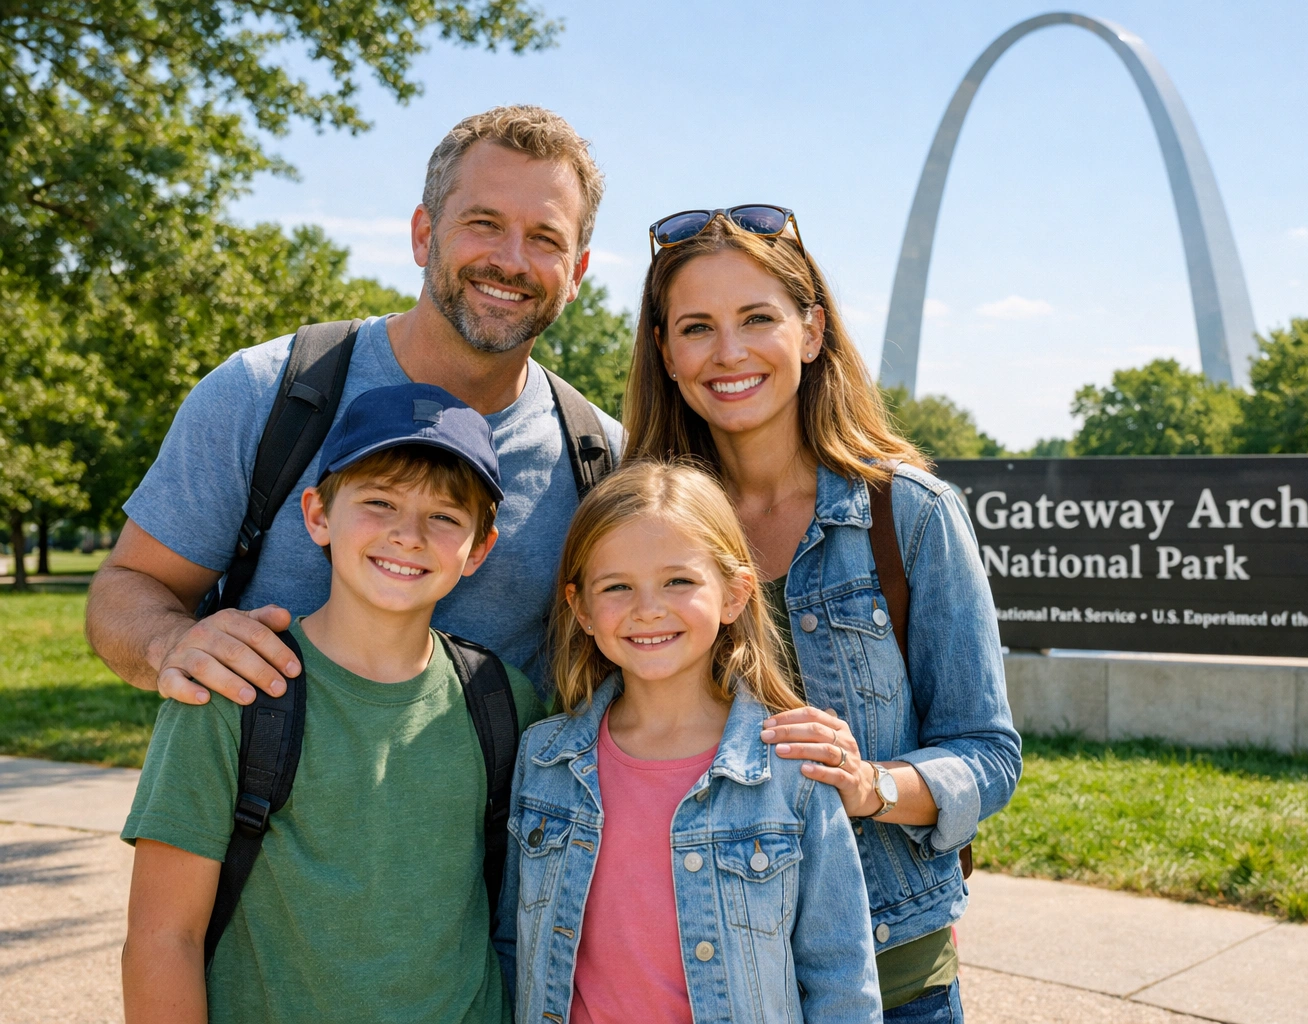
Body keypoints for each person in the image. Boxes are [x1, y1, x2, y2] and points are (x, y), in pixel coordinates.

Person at [622, 207, 1022, 1021]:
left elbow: (988, 755)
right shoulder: (637, 528)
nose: (729, 352)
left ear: (810, 331)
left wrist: (871, 785)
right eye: (697, 327)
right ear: (665, 352)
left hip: (892, 977)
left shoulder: (910, 515)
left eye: (757, 319)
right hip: (695, 974)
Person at [86, 104, 622, 707]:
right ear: (424, 235)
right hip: (263, 769)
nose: (512, 260)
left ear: (576, 273)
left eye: (545, 238)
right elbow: (130, 585)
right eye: (484, 223)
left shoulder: (602, 460)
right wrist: (171, 644)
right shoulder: (264, 392)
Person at [121, 383, 548, 1023]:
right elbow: (162, 939)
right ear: (319, 514)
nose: (408, 535)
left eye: (444, 516)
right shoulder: (234, 687)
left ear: (478, 549)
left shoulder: (502, 701)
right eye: (379, 502)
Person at [495, 460, 882, 1024]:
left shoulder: (791, 769)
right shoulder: (544, 760)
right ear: (582, 609)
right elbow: (514, 947)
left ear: (734, 594)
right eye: (617, 586)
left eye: (678, 581)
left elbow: (841, 978)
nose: (648, 608)